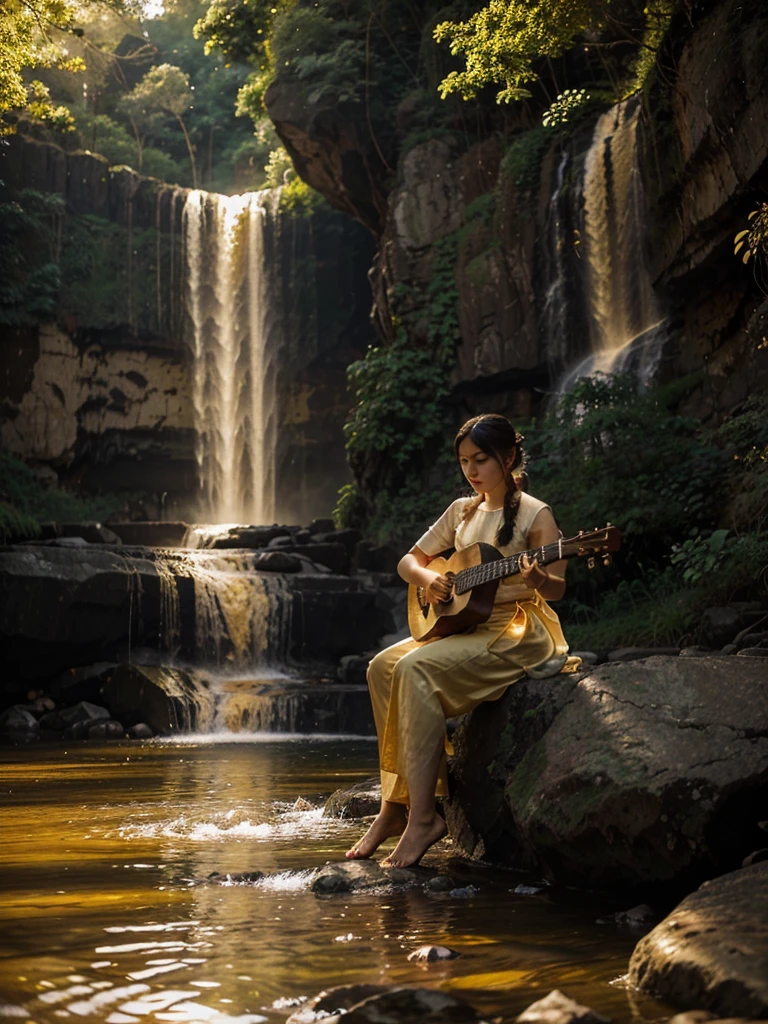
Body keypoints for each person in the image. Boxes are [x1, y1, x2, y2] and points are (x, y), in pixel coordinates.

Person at [346, 413, 571, 869]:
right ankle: (394, 807)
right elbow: (408, 562)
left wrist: (538, 575)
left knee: (414, 669)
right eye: (464, 461)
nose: (471, 470)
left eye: (481, 460)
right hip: (464, 624)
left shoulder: (535, 513)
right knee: (381, 667)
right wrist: (430, 579)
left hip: (514, 630)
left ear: (508, 458)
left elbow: (557, 588)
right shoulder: (461, 510)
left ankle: (424, 818)